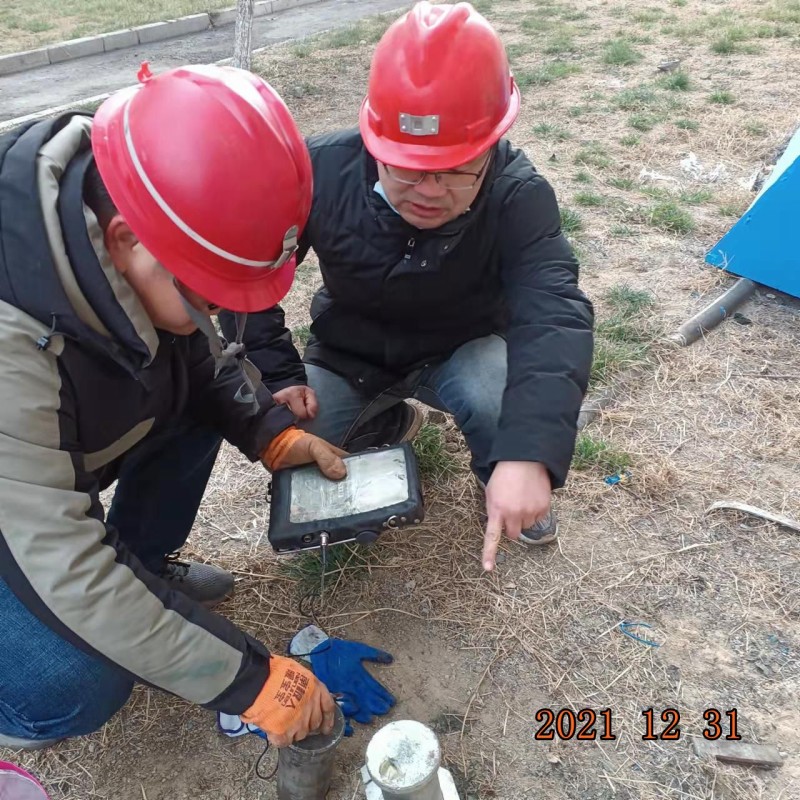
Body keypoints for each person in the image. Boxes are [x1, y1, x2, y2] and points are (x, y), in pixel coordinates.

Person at [0, 64, 345, 751]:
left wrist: (267, 429)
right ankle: (18, 705)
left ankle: (145, 567)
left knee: (189, 398)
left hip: (36, 466)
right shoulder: (11, 345)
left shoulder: (126, 203)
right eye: (209, 297)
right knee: (79, 681)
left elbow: (197, 357)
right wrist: (248, 681)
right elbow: (66, 571)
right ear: (126, 240)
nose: (213, 316)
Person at [221, 1, 595, 573]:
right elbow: (247, 273)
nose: (429, 190)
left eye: (457, 169)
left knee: (497, 393)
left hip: (463, 348)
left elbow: (554, 312)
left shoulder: (519, 194)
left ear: (491, 146)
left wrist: (530, 452)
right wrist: (277, 371)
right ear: (375, 142)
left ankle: (501, 475)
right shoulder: (318, 171)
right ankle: (386, 421)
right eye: (408, 167)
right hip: (351, 354)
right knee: (297, 448)